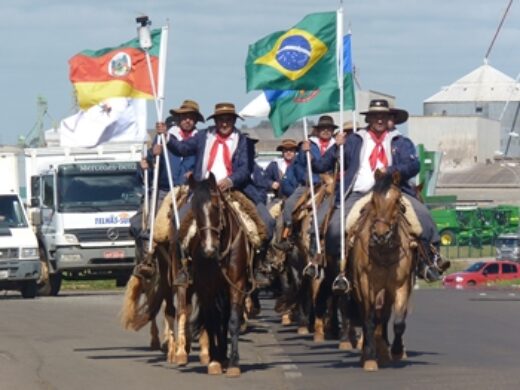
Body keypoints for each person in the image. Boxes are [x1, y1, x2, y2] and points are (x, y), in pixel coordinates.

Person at [317, 99, 449, 292]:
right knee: (336, 228)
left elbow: (414, 166)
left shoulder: (401, 141)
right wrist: (336, 147)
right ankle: (338, 270)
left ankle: (430, 260)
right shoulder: (354, 140)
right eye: (375, 116)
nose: (379, 119)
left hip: (393, 192)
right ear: (368, 118)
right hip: (360, 192)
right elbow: (324, 165)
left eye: (383, 116)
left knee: (423, 217)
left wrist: (392, 170)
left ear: (389, 118)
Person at [156, 102, 270, 285]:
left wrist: (230, 180)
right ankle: (184, 268)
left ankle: (258, 266)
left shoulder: (244, 141)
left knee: (266, 223)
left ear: (234, 121)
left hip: (234, 189)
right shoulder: (204, 136)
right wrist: (166, 137)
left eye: (228, 120)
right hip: (204, 190)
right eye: (221, 120)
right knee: (178, 225)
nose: (224, 123)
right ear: (215, 121)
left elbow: (245, 168)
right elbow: (183, 149)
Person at [129, 100, 204, 276]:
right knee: (146, 223)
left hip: (190, 190)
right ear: (178, 118)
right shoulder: (163, 135)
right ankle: (148, 260)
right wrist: (149, 160)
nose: (187, 120)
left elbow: (204, 161)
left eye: (191, 117)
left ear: (196, 120)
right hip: (164, 189)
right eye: (184, 117)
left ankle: (195, 259)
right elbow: (148, 164)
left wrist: (194, 173)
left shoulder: (200, 139)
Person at [275, 116, 338, 268]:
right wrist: (308, 178)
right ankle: (288, 235)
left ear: (332, 131)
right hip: (310, 184)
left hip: (331, 185)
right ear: (317, 130)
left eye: (329, 128)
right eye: (322, 128)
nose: (325, 131)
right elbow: (298, 167)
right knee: (289, 205)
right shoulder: (308, 145)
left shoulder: (337, 145)